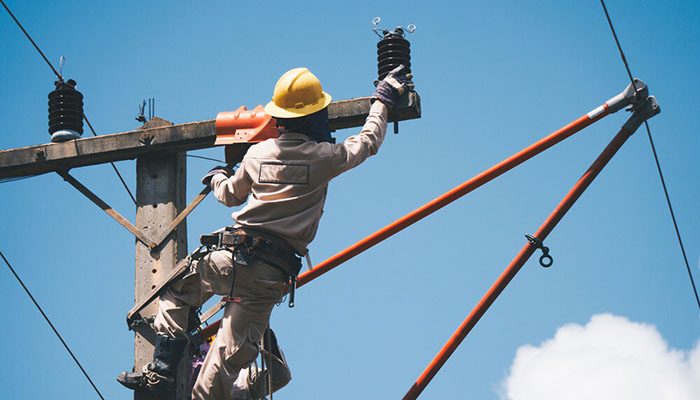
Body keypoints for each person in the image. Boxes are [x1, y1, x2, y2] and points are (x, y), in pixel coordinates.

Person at [118, 65, 414, 399]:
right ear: (316, 115)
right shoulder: (325, 157)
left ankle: (161, 373)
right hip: (268, 276)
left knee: (175, 292)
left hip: (228, 258)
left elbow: (229, 194)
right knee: (221, 368)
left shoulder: (258, 153)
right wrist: (382, 101)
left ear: (280, 118)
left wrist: (216, 176)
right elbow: (368, 141)